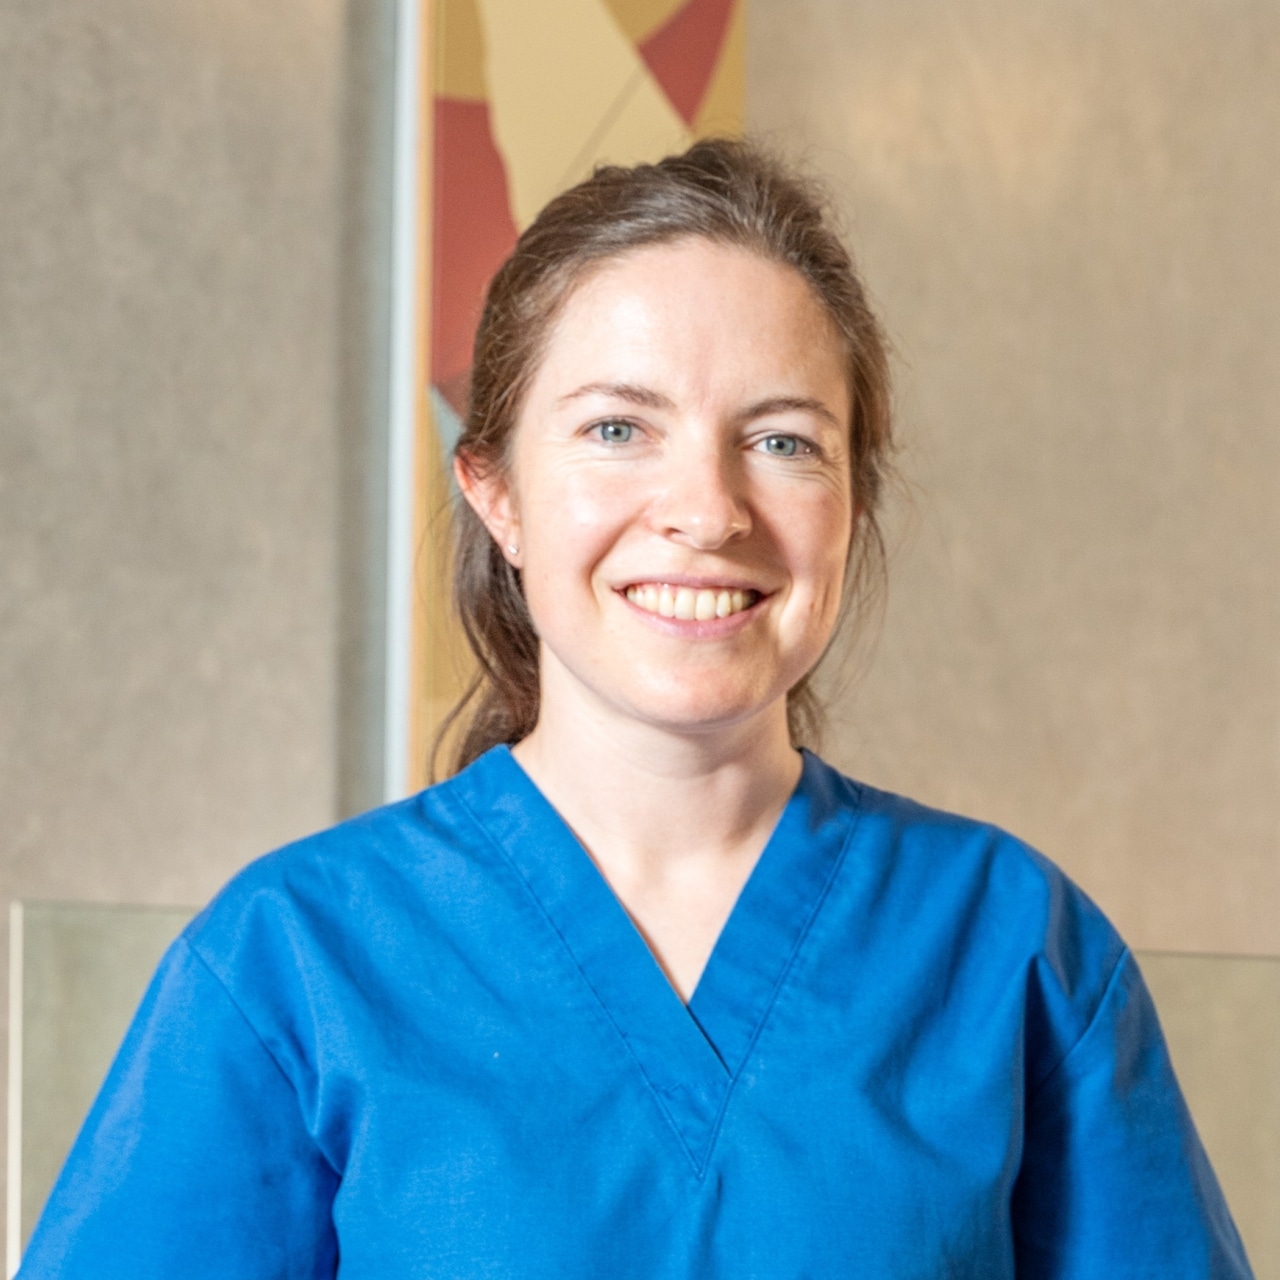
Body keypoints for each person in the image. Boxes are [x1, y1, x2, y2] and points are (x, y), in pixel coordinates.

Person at [19, 140, 1253, 1279]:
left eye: (782, 441)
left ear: (852, 500)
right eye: (617, 427)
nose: (705, 509)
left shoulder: (1011, 946)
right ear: (495, 493)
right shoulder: (295, 958)